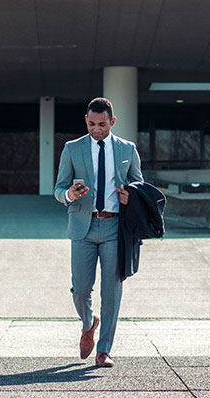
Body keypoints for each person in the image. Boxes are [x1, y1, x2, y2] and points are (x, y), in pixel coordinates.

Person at [54, 97, 143, 368]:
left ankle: (104, 350)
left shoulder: (128, 149)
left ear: (112, 122)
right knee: (80, 290)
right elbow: (58, 189)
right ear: (86, 120)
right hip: (83, 225)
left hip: (115, 227)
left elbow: (140, 185)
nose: (96, 129)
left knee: (112, 291)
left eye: (102, 124)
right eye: (92, 124)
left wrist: (132, 197)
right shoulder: (72, 149)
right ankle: (88, 322)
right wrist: (69, 194)